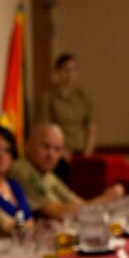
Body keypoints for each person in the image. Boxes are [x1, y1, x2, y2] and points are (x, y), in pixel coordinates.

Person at [11, 123, 124, 220]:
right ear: (27, 145)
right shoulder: (22, 170)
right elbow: (60, 214)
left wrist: (104, 201)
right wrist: (106, 199)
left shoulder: (46, 173)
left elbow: (78, 204)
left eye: (57, 149)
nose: (51, 155)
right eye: (45, 146)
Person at [35, 53, 96, 182]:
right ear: (57, 73)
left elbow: (91, 127)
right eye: (65, 70)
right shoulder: (48, 98)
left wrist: (87, 154)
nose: (70, 75)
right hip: (59, 155)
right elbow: (44, 128)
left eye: (73, 70)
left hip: (80, 153)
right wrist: (60, 151)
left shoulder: (83, 98)